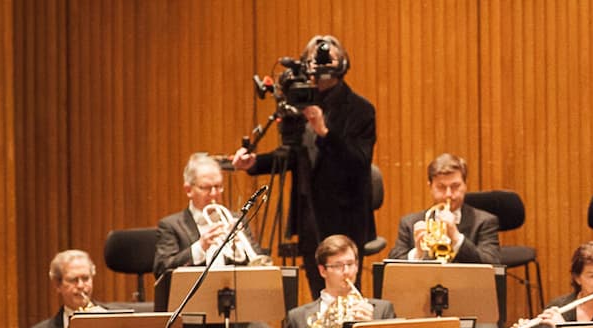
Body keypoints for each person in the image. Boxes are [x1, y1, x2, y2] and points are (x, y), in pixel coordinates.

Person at [232, 35, 375, 296]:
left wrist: (325, 132)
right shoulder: (298, 104)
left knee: (349, 294)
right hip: (309, 214)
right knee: (316, 292)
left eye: (328, 58)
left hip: (346, 217)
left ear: (342, 63)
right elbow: (292, 156)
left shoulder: (361, 110)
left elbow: (359, 161)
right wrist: (254, 163)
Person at [153, 152, 274, 288]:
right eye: (206, 188)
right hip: (191, 300)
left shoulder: (236, 220)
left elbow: (259, 266)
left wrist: (240, 248)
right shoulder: (171, 225)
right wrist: (200, 248)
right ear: (188, 190)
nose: (214, 194)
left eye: (218, 187)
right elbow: (162, 270)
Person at [390, 153, 503, 265]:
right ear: (430, 187)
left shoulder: (484, 222)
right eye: (441, 187)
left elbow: (492, 264)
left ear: (465, 185)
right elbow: (392, 266)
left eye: (455, 186)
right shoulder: (409, 223)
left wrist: (456, 237)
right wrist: (417, 253)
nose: (448, 194)